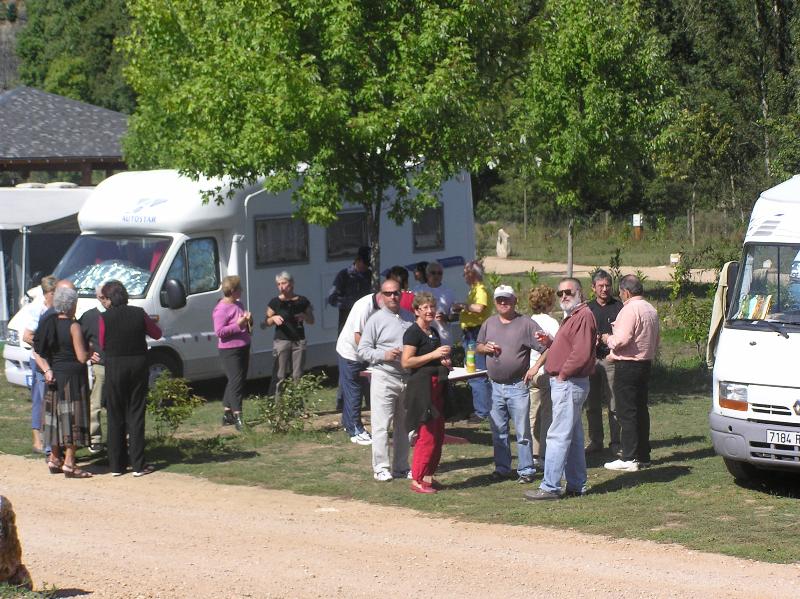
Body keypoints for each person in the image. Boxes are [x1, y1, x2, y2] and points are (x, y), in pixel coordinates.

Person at [524, 278, 596, 501]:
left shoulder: (583, 316)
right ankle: (576, 484)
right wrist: (550, 342)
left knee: (556, 435)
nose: (564, 296)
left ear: (580, 293)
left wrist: (563, 374)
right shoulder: (572, 317)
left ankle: (550, 487)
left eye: (568, 292)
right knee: (573, 437)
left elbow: (581, 352)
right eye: (560, 293)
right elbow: (568, 347)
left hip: (569, 382)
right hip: (567, 382)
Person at [476, 285, 545, 483]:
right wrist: (485, 348)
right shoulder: (489, 323)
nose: (503, 303)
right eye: (499, 300)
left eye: (507, 299)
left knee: (522, 432)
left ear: (515, 301)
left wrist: (534, 368)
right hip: (495, 385)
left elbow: (548, 347)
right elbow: (478, 346)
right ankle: (502, 468)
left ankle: (526, 470)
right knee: (498, 431)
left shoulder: (526, 324)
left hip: (517, 386)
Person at [99, 280, 163, 477]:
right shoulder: (139, 313)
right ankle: (138, 464)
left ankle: (117, 465)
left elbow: (102, 342)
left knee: (115, 414)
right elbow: (157, 334)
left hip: (115, 365)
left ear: (109, 299)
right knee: (135, 413)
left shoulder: (104, 317)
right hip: (137, 364)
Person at [601, 275, 660, 472]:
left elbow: (621, 339)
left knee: (626, 412)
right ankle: (643, 455)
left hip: (628, 365)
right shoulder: (651, 309)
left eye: (620, 292)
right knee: (641, 410)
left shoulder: (629, 309)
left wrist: (607, 339)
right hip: (645, 364)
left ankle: (628, 456)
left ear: (626, 292)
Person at [357, 279, 414, 482]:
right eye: (388, 293)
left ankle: (401, 466)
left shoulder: (409, 317)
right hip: (384, 376)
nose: (392, 297)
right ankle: (381, 467)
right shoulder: (375, 319)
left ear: (401, 294)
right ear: (381, 296)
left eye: (396, 293)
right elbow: (362, 350)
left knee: (404, 426)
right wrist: (384, 355)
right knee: (381, 425)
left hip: (407, 377)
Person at [34, 286, 92, 478]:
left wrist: (47, 370)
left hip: (55, 377)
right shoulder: (73, 326)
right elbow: (81, 357)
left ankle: (54, 458)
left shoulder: (49, 323)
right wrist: (91, 351)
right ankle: (69, 462)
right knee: (72, 420)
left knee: (56, 420)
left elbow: (38, 350)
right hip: (72, 378)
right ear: (72, 305)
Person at [402, 292, 452, 494]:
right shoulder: (413, 332)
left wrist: (443, 361)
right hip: (421, 389)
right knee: (427, 435)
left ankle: (429, 477)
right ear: (416, 311)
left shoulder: (433, 331)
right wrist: (433, 354)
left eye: (432, 306)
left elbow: (433, 358)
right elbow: (407, 362)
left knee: (438, 434)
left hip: (436, 386)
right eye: (425, 307)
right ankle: (418, 479)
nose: (430, 310)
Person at [336, 286, 383, 445]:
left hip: (364, 354)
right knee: (354, 391)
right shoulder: (365, 307)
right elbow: (358, 336)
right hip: (351, 353)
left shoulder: (383, 307)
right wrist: (373, 356)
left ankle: (348, 422)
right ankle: (355, 430)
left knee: (364, 390)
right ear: (380, 295)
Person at [585, 270, 623, 455]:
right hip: (591, 360)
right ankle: (595, 441)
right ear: (593, 288)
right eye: (600, 286)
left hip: (611, 359)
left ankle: (616, 442)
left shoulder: (619, 306)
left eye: (607, 285)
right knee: (592, 404)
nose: (605, 289)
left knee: (614, 403)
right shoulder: (587, 308)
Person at [21, 275, 56, 454]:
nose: (56, 295)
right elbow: (26, 335)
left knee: (41, 398)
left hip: (46, 358)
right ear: (46, 293)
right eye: (53, 292)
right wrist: (43, 345)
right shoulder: (37, 308)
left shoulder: (54, 307)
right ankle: (40, 441)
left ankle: (43, 441)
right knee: (42, 399)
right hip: (38, 359)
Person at [212, 275, 252, 431]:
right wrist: (238, 324)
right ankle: (238, 416)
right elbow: (220, 332)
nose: (242, 290)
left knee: (237, 380)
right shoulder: (221, 309)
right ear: (233, 290)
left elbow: (243, 324)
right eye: (240, 288)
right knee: (236, 381)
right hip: (229, 350)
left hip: (244, 345)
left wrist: (248, 321)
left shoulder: (239, 304)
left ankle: (227, 413)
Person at [526, 284, 560, 467]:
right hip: (545, 372)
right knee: (548, 414)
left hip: (530, 373)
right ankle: (545, 454)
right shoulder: (552, 323)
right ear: (549, 302)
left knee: (533, 415)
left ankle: (533, 453)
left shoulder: (528, 320)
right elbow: (554, 346)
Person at [265, 271, 314, 395]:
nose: (281, 286)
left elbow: (312, 320)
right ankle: (279, 408)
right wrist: (273, 319)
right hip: (282, 341)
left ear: (291, 283)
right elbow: (266, 321)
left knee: (297, 375)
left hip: (299, 341)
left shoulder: (302, 301)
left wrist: (304, 316)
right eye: (278, 284)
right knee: (280, 375)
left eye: (284, 283)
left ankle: (297, 407)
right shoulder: (275, 302)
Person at [456, 260, 492, 422]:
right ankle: (487, 408)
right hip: (470, 333)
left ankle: (482, 412)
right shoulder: (474, 290)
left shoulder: (480, 290)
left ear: (473, 274)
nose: (464, 275)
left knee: (476, 372)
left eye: (466, 272)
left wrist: (463, 306)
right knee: (475, 371)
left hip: (475, 334)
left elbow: (479, 308)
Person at [78, 284, 110, 453]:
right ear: (100, 297)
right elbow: (77, 337)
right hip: (100, 366)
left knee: (115, 404)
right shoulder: (90, 316)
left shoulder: (115, 313)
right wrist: (88, 353)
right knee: (96, 403)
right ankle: (95, 438)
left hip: (116, 365)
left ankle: (117, 438)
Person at [328, 246, 372, 334]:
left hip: (365, 320)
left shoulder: (370, 275)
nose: (366, 267)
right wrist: (352, 303)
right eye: (365, 264)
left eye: (368, 265)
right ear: (358, 260)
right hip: (347, 319)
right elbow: (332, 298)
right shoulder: (344, 275)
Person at [413, 261, 456, 344]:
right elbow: (412, 311)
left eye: (439, 273)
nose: (436, 276)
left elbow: (456, 316)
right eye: (433, 273)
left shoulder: (449, 292)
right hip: (422, 337)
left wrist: (447, 318)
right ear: (427, 274)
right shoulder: (417, 290)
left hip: (443, 337)